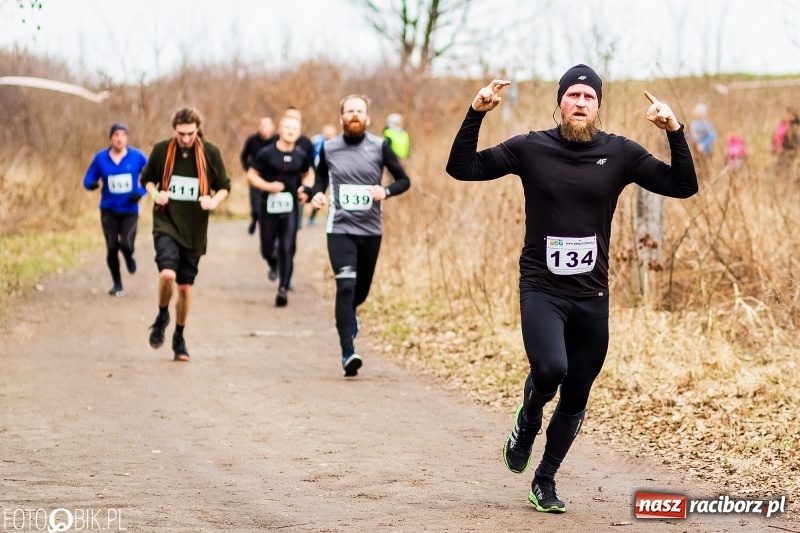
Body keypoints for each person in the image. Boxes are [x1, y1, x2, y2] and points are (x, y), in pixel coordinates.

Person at [445, 65, 698, 513]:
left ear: (598, 106)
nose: (580, 103)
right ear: (559, 101)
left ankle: (545, 480)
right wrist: (475, 112)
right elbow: (461, 167)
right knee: (549, 370)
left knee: (578, 391)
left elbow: (683, 185)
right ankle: (527, 418)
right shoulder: (531, 147)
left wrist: (674, 130)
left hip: (592, 295)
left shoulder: (620, 153)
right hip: (542, 287)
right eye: (573, 95)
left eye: (589, 97)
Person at [309, 94, 411, 377]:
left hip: (370, 230)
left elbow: (404, 180)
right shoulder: (329, 148)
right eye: (349, 111)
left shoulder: (381, 146)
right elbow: (319, 179)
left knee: (360, 291)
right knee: (344, 286)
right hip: (340, 229)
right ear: (341, 118)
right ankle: (347, 352)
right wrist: (318, 194)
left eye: (359, 111)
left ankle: (350, 314)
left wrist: (386, 191)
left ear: (367, 118)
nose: (355, 115)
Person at [140, 107, 231, 362]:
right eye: (181, 134)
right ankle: (161, 316)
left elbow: (225, 186)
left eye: (191, 133)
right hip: (166, 223)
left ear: (197, 130)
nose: (187, 138)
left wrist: (213, 201)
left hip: (194, 229)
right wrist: (156, 194)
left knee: (185, 288)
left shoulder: (210, 153)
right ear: (174, 131)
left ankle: (179, 336)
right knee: (167, 274)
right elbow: (146, 180)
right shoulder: (161, 150)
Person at [247, 115, 314, 306]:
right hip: (268, 206)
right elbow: (251, 176)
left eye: (295, 128)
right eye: (287, 127)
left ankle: (283, 289)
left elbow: (308, 174)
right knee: (267, 248)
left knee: (287, 246)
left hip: (290, 207)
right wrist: (268, 186)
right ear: (279, 130)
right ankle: (272, 261)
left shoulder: (301, 155)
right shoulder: (267, 153)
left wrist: (305, 190)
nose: (291, 131)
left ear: (299, 132)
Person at [83, 122, 148, 297]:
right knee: (112, 247)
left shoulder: (137, 157)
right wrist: (92, 184)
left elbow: (152, 177)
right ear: (111, 137)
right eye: (116, 135)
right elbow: (88, 178)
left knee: (126, 244)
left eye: (123, 135)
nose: (119, 139)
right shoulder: (100, 158)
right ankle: (117, 284)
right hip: (109, 210)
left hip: (130, 210)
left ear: (127, 137)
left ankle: (129, 256)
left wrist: (140, 191)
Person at [240, 117, 276, 235]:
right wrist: (248, 169)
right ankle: (254, 219)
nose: (264, 128)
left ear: (272, 127)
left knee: (268, 207)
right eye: (262, 125)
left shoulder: (277, 140)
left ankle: (268, 229)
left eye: (267, 125)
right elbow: (244, 156)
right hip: (255, 177)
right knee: (256, 208)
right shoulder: (252, 141)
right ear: (259, 127)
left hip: (271, 179)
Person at [308, 123, 338, 226]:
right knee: (318, 194)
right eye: (327, 131)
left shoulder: (337, 143)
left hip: (333, 173)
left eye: (331, 132)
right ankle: (312, 217)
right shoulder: (316, 140)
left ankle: (333, 216)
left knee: (334, 196)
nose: (328, 134)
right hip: (319, 172)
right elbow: (309, 154)